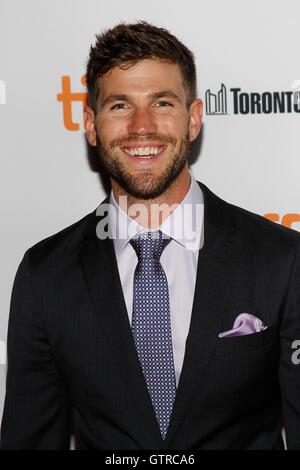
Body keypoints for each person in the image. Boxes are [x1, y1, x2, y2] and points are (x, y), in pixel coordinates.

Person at [1, 21, 300, 451]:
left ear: (193, 118)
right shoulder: (45, 275)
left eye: (162, 102)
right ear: (90, 123)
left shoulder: (281, 260)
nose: (142, 127)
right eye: (120, 106)